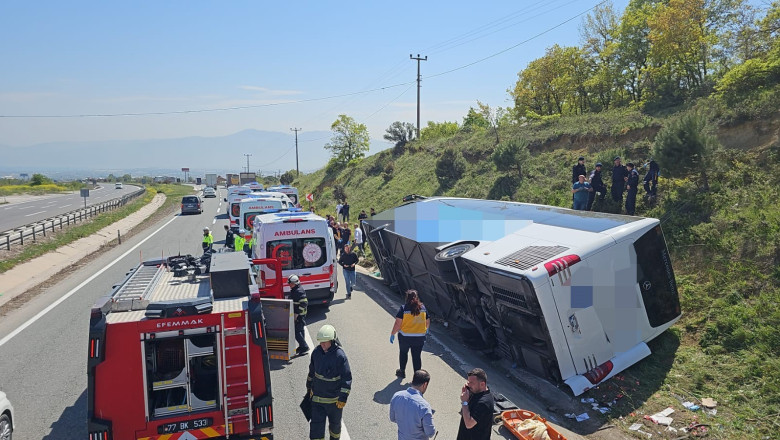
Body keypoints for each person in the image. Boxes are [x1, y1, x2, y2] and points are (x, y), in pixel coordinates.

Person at [307, 324, 352, 440]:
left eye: (325, 342)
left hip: (334, 402)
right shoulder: (316, 352)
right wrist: (309, 388)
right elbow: (312, 372)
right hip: (317, 400)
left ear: (332, 341)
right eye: (321, 342)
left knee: (335, 428)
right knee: (316, 429)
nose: (322, 345)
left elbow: (346, 378)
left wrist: (343, 398)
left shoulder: (340, 356)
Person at [390, 290, 430, 379]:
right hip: (419, 338)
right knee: (416, 356)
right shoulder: (423, 308)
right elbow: (427, 321)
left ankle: (402, 371)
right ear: (417, 297)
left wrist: (393, 333)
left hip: (405, 337)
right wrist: (426, 329)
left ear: (407, 298)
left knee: (403, 353)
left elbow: (398, 323)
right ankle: (417, 378)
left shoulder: (403, 308)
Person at [389, 369, 436, 440]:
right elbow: (430, 433)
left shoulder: (397, 396)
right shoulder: (424, 407)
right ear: (425, 384)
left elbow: (392, 418)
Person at [457, 368, 494, 440]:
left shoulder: (484, 402)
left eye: (472, 383)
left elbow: (469, 424)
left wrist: (464, 402)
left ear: (482, 384)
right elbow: (464, 412)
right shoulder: (475, 392)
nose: (468, 385)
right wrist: (467, 395)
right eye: (468, 381)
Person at [288, 275, 310, 355]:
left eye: (290, 283)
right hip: (299, 314)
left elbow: (304, 303)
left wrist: (297, 314)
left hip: (300, 315)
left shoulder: (298, 291)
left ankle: (304, 346)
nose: (289, 285)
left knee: (296, 331)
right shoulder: (295, 289)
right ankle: (302, 346)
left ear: (295, 283)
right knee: (300, 330)